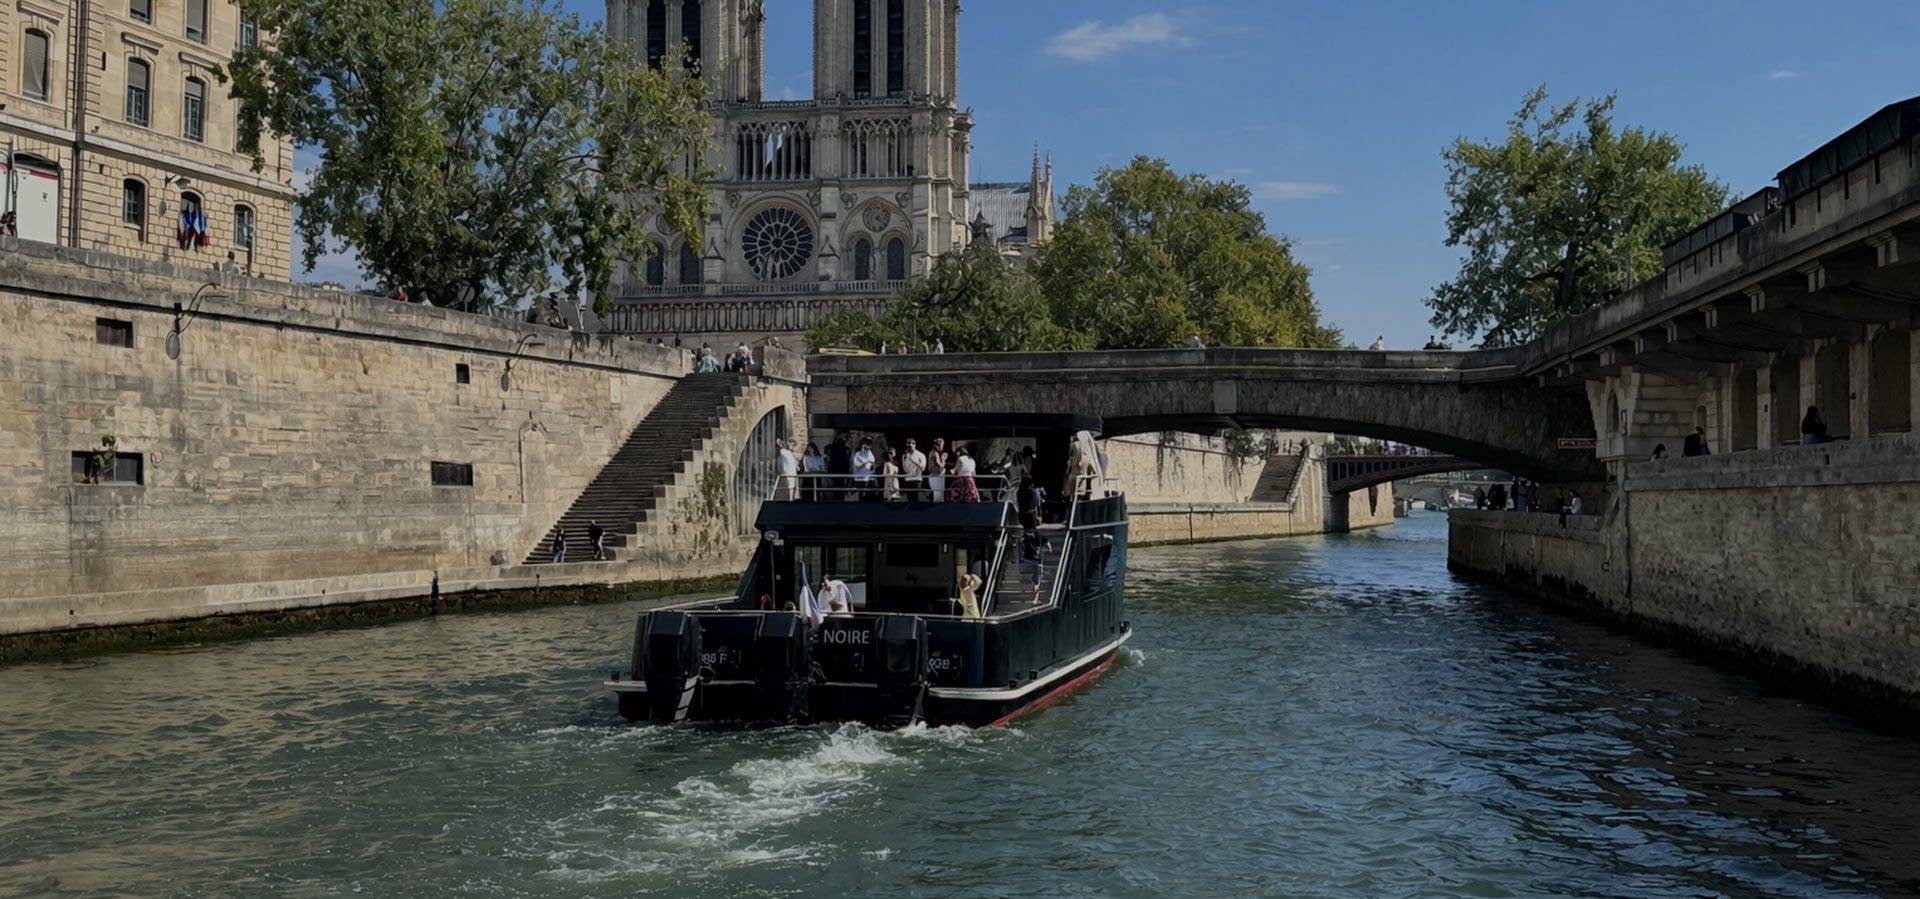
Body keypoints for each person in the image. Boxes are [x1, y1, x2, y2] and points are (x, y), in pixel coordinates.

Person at [826, 432, 852, 500]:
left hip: (833, 469)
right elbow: (848, 460)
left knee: (835, 485)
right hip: (843, 470)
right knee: (841, 485)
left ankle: (836, 497)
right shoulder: (846, 449)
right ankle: (840, 497)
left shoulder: (830, 448)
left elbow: (828, 459)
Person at [900, 438, 927, 502]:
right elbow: (905, 470)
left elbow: (923, 468)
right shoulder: (904, 456)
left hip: (917, 479)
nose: (910, 445)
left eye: (912, 444)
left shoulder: (921, 455)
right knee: (909, 499)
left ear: (915, 445)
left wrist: (912, 460)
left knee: (916, 499)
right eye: (908, 444)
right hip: (908, 479)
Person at [927, 438, 950, 503]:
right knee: (938, 497)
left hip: (934, 476)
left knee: (938, 495)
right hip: (936, 477)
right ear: (936, 445)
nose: (942, 447)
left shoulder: (932, 452)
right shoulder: (935, 453)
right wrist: (944, 459)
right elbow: (940, 465)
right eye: (941, 445)